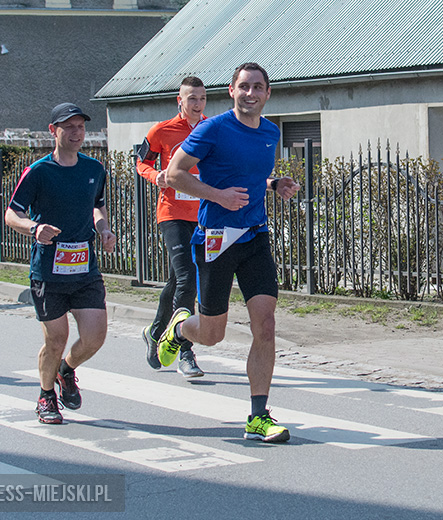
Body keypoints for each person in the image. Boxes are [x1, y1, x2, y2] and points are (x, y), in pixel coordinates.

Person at [159, 62, 300, 443]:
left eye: (258, 88)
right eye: (244, 87)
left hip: (255, 236)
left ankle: (258, 416)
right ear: (231, 91)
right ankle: (180, 327)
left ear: (268, 93)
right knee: (211, 335)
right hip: (216, 238)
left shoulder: (271, 132)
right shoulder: (212, 128)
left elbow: (248, 175)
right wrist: (218, 196)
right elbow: (174, 173)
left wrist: (273, 184)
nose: (250, 94)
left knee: (265, 325)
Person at [5, 102, 117, 424]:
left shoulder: (94, 169)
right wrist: (35, 228)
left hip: (84, 269)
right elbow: (12, 213)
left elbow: (96, 206)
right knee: (55, 339)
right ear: (53, 131)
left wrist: (104, 229)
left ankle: (65, 370)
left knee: (95, 336)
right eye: (68, 127)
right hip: (48, 273)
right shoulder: (39, 171)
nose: (76, 132)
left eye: (80, 126)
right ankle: (45, 396)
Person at [137, 76, 207, 378]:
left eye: (202, 98)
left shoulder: (210, 128)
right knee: (188, 279)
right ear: (180, 101)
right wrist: (156, 176)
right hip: (172, 214)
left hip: (202, 214)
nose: (197, 104)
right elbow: (140, 161)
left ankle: (155, 332)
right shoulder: (162, 131)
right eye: (192, 98)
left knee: (177, 282)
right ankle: (184, 349)